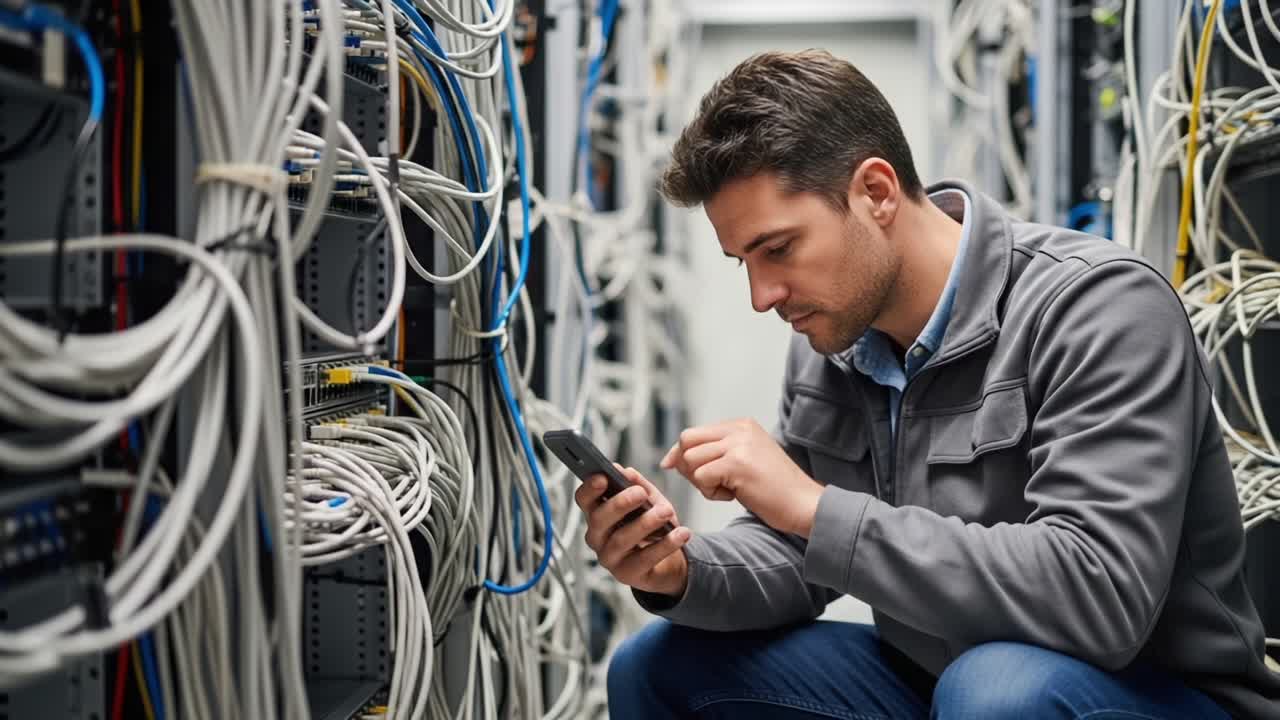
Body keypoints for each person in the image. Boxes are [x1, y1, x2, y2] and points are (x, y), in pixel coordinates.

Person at [573, 49, 1280, 719]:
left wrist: (816, 510)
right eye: (743, 263)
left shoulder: (1100, 307)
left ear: (876, 192)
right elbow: (799, 556)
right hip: (947, 683)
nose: (763, 295)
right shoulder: (836, 338)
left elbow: (1098, 597)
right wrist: (678, 570)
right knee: (657, 665)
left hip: (1147, 692)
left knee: (996, 689)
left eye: (779, 249)